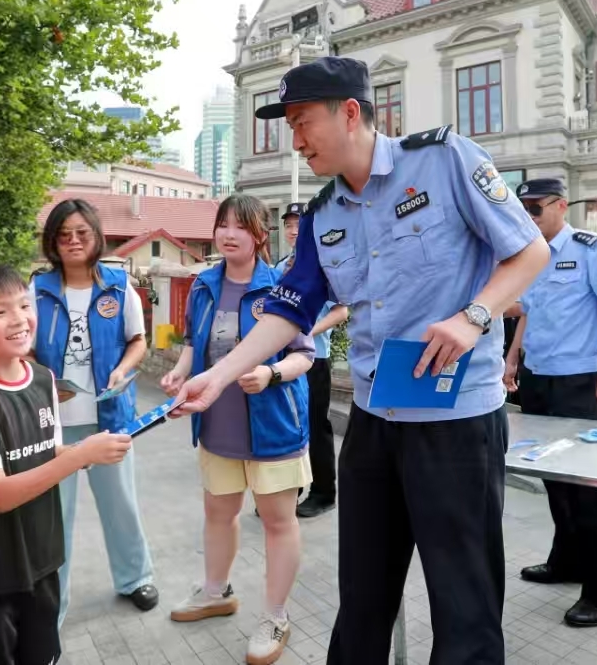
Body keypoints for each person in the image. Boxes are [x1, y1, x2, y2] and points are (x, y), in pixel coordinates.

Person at [170, 56, 550, 664]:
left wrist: (473, 316)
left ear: (350, 112)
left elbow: (529, 252)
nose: (294, 141)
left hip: (454, 421)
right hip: (375, 421)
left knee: (465, 602)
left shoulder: (445, 160)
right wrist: (213, 377)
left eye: (302, 122)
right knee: (363, 596)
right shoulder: (322, 216)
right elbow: (288, 311)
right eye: (287, 126)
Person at [160, 195, 314, 665]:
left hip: (274, 425)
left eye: (240, 227)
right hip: (217, 425)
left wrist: (271, 374)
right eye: (222, 225)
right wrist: (180, 372)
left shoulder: (284, 286)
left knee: (277, 522)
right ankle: (215, 591)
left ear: (258, 234)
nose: (228, 234)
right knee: (218, 513)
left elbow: (304, 354)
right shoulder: (205, 284)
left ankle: (275, 615)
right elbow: (194, 343)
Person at [0, 265, 132, 665]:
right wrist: (81, 457)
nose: (19, 319)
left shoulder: (42, 379)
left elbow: (49, 453)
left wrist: (89, 450)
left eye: (24, 305)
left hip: (45, 560)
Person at [502, 178, 597, 628]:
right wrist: (512, 357)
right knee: (555, 481)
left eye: (536, 209)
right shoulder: (531, 254)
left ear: (560, 206)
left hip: (580, 384)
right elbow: (529, 311)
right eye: (523, 210)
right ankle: (567, 562)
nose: (529, 217)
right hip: (539, 380)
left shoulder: (591, 248)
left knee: (586, 490)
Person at [32, 199, 159, 623]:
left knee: (121, 503)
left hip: (108, 418)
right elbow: (25, 348)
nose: (72, 241)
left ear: (96, 236)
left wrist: (124, 368)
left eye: (81, 233)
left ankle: (134, 577)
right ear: (53, 241)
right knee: (56, 517)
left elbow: (138, 341)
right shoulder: (38, 289)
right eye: (63, 234)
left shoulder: (119, 286)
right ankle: (55, 601)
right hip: (53, 424)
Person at [276, 201, 347, 519]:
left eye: (299, 225)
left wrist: (307, 332)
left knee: (317, 425)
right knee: (289, 423)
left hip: (315, 357)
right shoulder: (280, 268)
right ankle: (293, 488)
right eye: (289, 226)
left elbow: (342, 309)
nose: (294, 231)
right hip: (284, 360)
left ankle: (323, 492)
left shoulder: (324, 265)